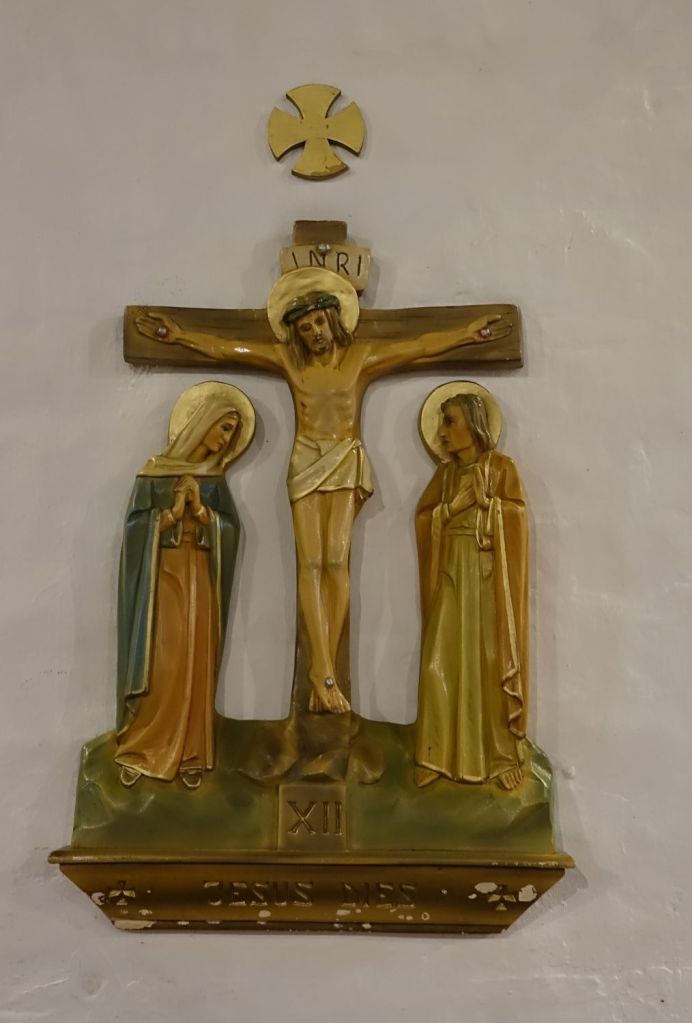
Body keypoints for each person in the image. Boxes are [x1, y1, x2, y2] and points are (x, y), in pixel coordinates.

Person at [134, 268, 508, 716]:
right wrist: (181, 337)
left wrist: (465, 335)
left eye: (318, 322)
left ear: (334, 319)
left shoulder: (360, 359)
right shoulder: (291, 364)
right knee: (310, 564)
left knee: (336, 562)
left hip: (345, 458)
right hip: (306, 460)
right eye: (304, 327)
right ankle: (322, 671)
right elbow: (230, 348)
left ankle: (325, 665)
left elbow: (418, 347)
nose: (313, 332)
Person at [114, 385, 248, 788]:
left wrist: (203, 512)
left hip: (200, 574)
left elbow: (230, 530)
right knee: (164, 659)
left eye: (232, 433)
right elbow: (135, 529)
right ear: (204, 422)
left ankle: (192, 752)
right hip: (163, 577)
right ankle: (141, 748)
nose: (226, 440)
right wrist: (171, 514)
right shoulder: (153, 472)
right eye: (224, 428)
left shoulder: (215, 481)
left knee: (196, 658)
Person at [414, 390, 528, 790]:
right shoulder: (445, 476)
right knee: (437, 662)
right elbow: (425, 518)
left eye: (450, 422)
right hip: (450, 572)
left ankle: (501, 757)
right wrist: (453, 507)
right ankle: (435, 754)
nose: (442, 433)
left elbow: (516, 517)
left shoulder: (501, 468)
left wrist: (491, 508)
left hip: (487, 576)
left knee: (489, 660)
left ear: (474, 426)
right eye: (441, 423)